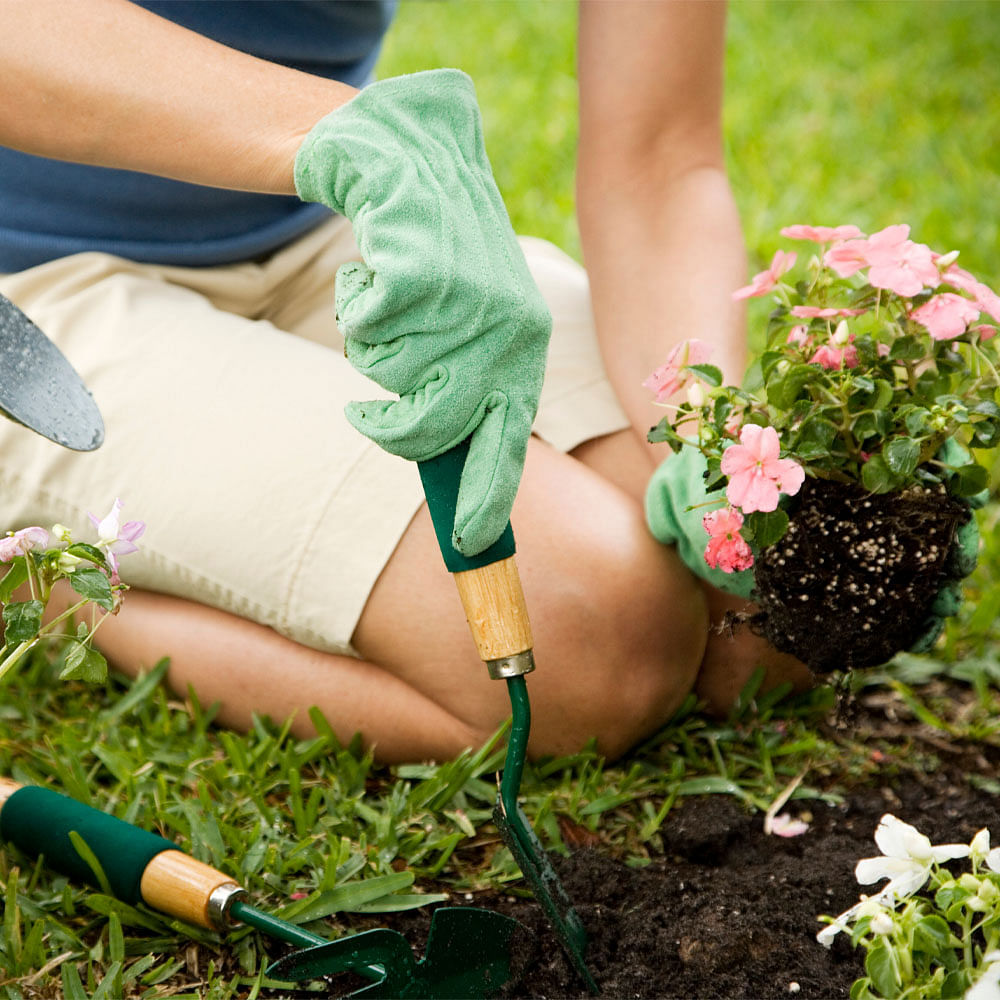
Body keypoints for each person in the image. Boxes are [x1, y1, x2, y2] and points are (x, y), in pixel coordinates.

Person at [0, 0, 811, 764]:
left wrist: (708, 431)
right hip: (26, 294)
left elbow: (659, 161)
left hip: (316, 219)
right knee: (583, 650)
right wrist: (349, 139)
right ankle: (44, 577)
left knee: (769, 621)